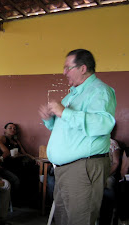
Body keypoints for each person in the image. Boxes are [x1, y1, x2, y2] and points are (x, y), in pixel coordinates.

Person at [38, 49, 116, 225]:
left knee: (80, 220)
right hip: (66, 170)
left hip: (83, 168)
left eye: (68, 67)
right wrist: (49, 120)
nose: (64, 72)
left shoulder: (100, 91)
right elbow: (66, 127)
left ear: (83, 68)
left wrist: (64, 112)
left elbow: (103, 124)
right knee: (64, 219)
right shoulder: (72, 96)